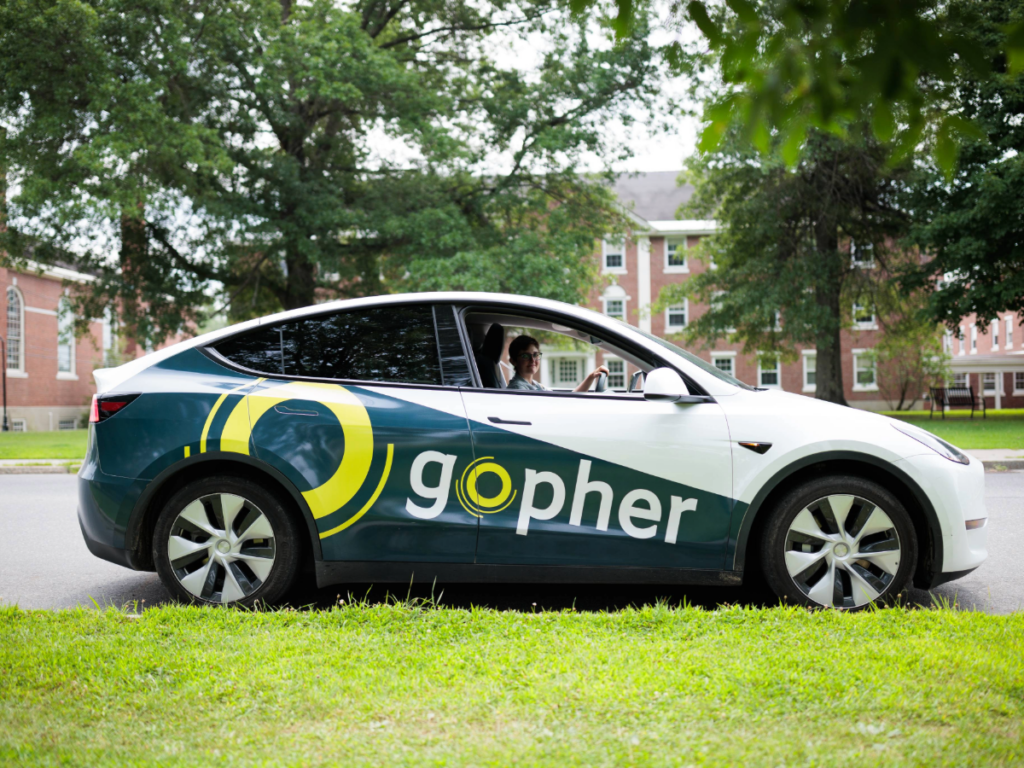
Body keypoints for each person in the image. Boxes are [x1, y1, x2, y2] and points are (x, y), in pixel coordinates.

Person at [506, 334, 609, 392]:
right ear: (513, 361)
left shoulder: (534, 385)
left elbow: (566, 401)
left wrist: (591, 377)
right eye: (525, 356)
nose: (533, 360)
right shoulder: (518, 389)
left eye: (535, 355)